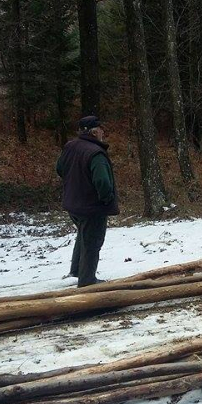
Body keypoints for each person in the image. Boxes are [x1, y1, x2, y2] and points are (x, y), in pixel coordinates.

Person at [56, 116, 119, 287]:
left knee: (83, 235)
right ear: (94, 131)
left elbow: (60, 168)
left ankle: (77, 269)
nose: (103, 132)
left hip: (73, 204)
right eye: (101, 129)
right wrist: (106, 198)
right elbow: (103, 182)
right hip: (92, 207)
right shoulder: (96, 153)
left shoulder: (70, 146)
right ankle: (87, 280)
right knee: (92, 241)